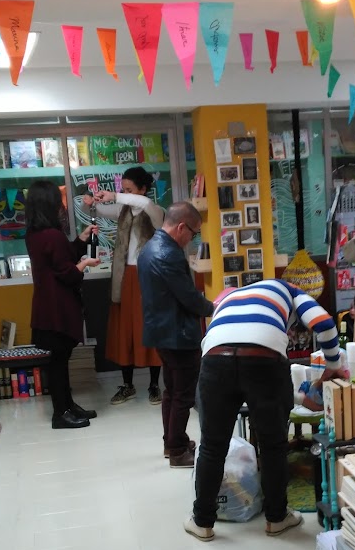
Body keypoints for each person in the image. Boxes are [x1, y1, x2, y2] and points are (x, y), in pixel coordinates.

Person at [185, 278, 345, 542]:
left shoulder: (229, 300)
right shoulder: (289, 289)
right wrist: (333, 366)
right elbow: (324, 324)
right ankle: (277, 518)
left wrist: (299, 398)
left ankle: (202, 522)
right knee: (273, 445)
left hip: (214, 358)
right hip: (265, 359)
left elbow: (241, 369)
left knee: (212, 446)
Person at [137, 201, 214, 467]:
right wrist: (214, 307)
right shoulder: (169, 254)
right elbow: (189, 298)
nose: (192, 239)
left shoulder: (149, 247)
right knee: (183, 394)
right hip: (178, 333)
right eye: (193, 233)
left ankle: (172, 442)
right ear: (181, 227)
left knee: (171, 390)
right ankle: (178, 451)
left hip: (161, 331)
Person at [25, 179, 101, 429]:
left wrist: (81, 239)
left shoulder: (35, 234)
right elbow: (68, 273)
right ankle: (61, 413)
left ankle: (68, 406)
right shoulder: (52, 235)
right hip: (58, 308)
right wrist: (85, 263)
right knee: (58, 362)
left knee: (59, 359)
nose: (62, 206)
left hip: (46, 306)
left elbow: (61, 257)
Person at [89, 167, 164, 406]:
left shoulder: (155, 210)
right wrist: (90, 202)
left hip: (147, 278)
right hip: (124, 278)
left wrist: (114, 195)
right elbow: (98, 209)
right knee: (125, 332)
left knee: (149, 329)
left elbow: (144, 203)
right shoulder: (123, 210)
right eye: (123, 189)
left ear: (142, 189)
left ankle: (154, 385)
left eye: (129, 189)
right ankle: (128, 385)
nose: (124, 194)